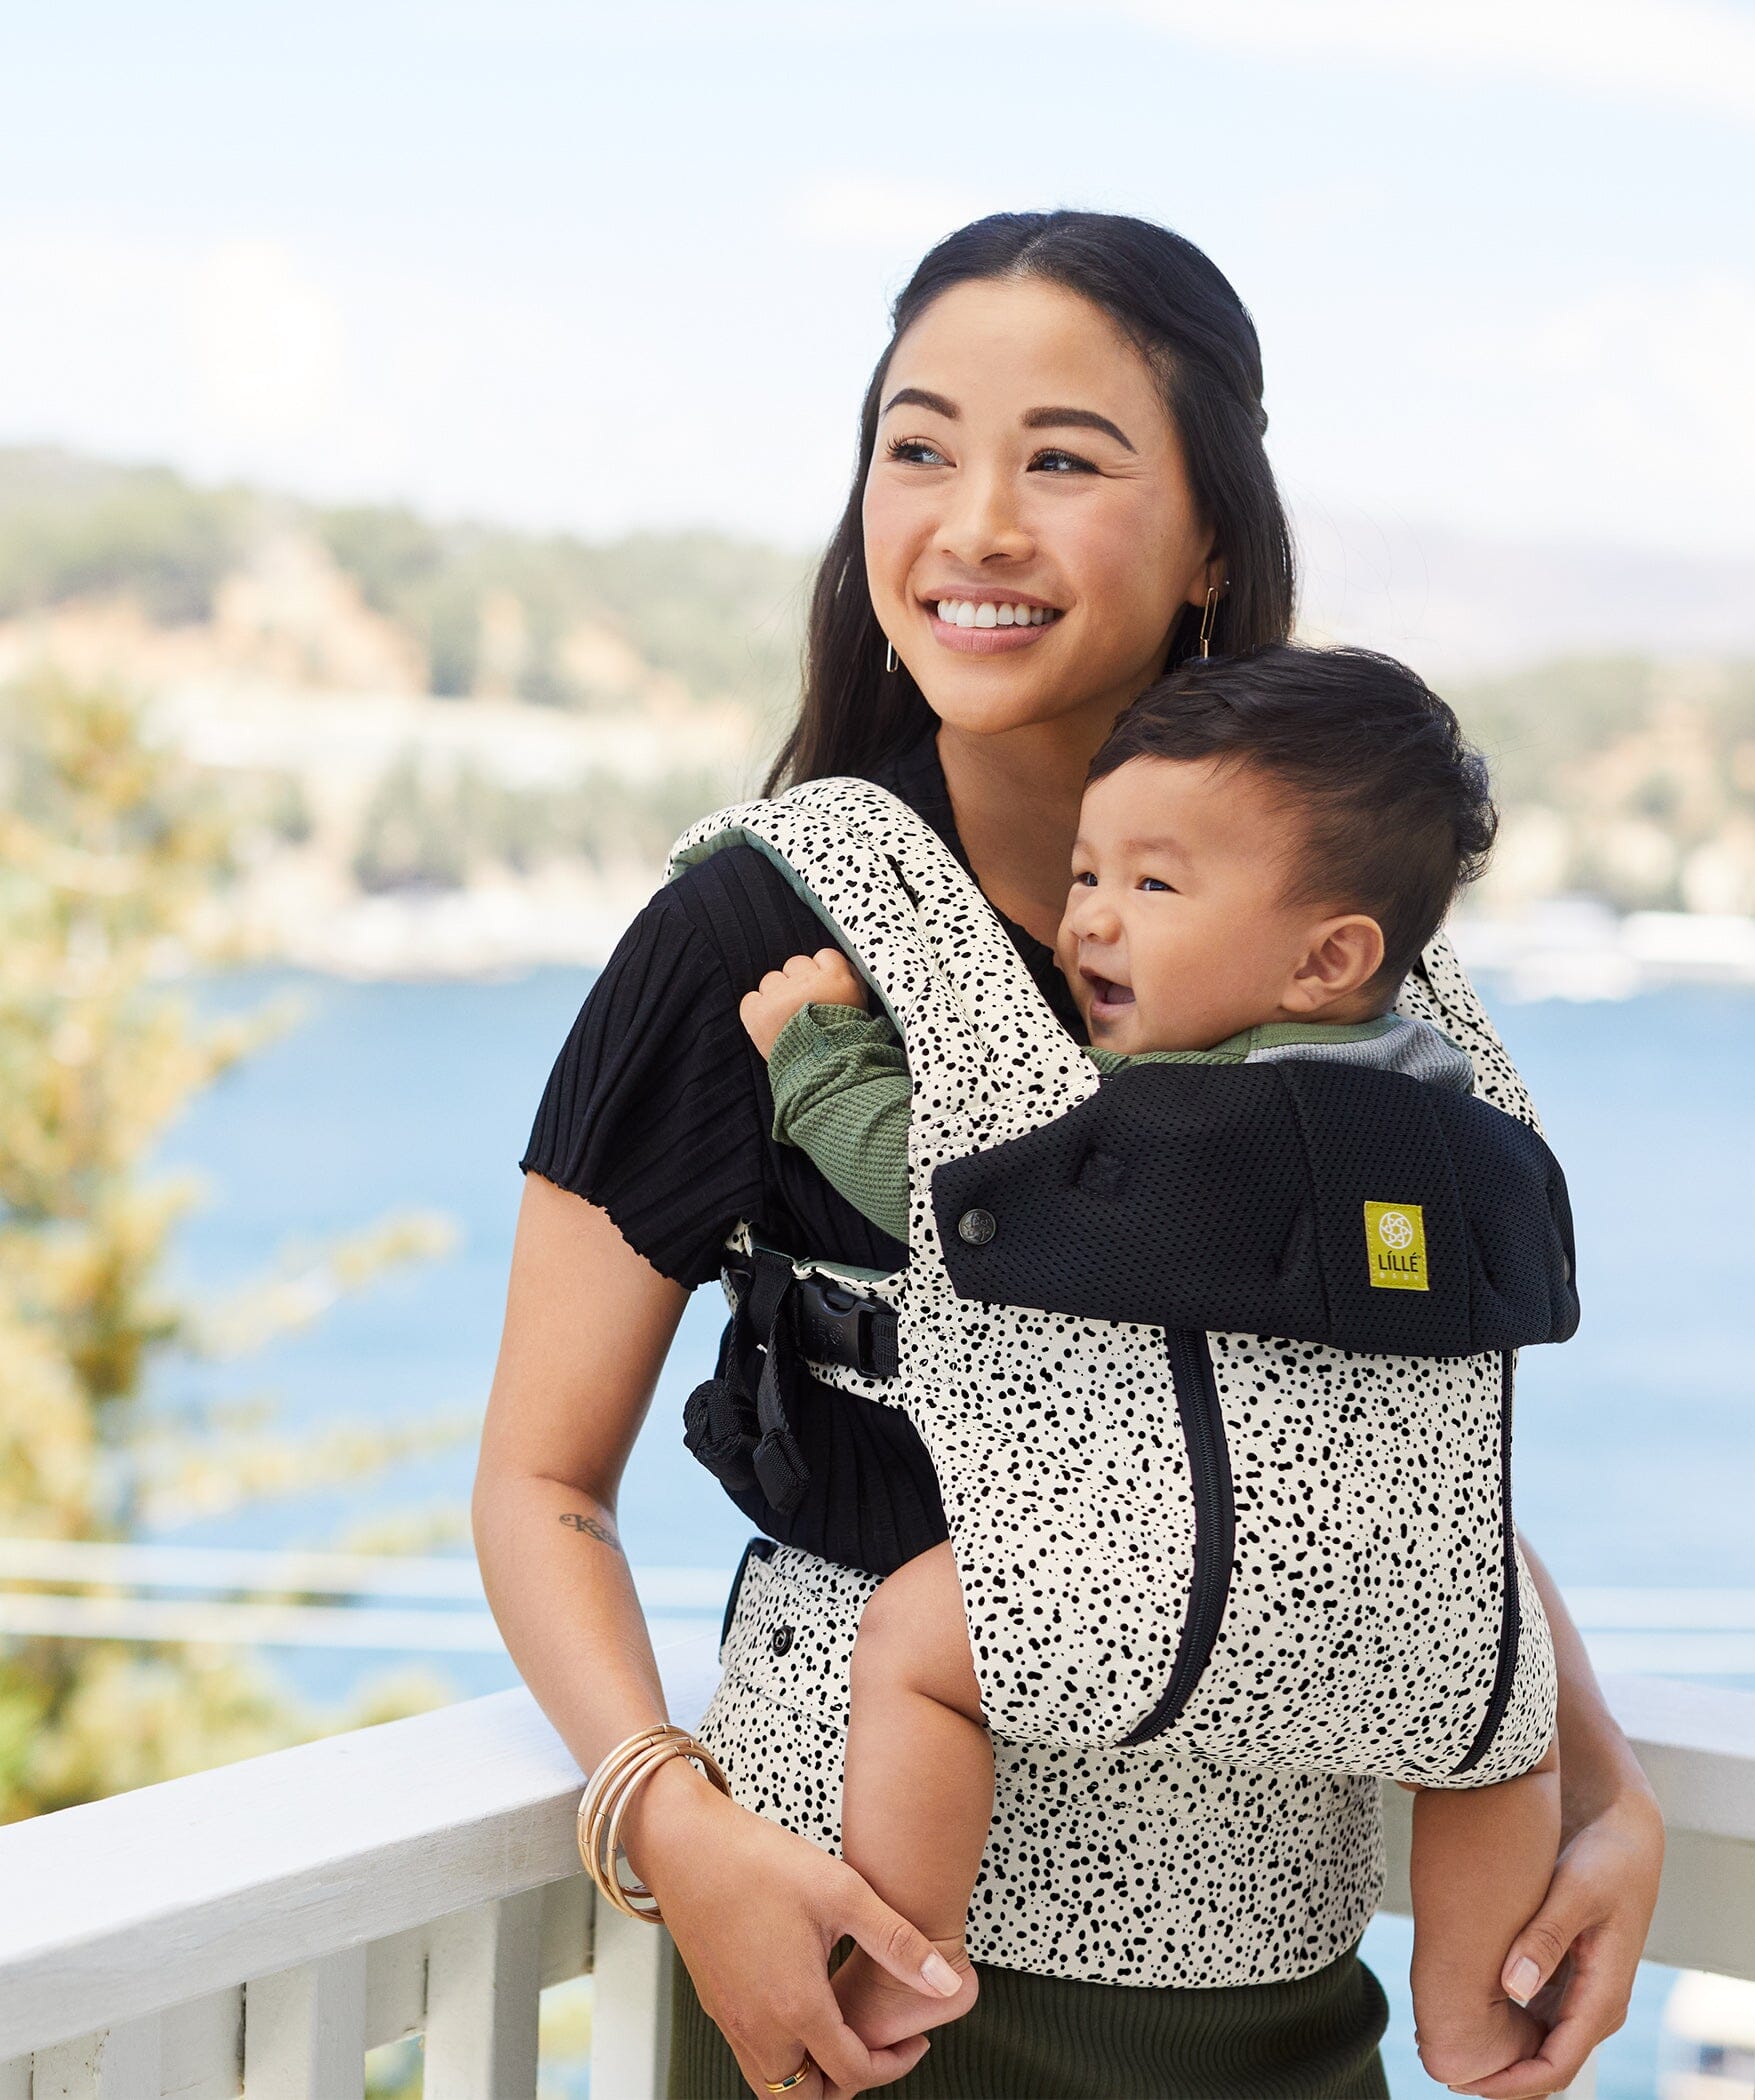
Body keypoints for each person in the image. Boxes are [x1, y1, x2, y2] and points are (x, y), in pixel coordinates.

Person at [475, 209, 1663, 2100]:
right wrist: (671, 1828)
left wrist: (1594, 1782)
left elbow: (1370, 1433)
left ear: (1210, 538)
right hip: (873, 1990)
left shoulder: (1357, 976)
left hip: (1285, 1994)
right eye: (920, 447)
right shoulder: (765, 939)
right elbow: (542, 1481)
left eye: (1064, 459)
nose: (975, 523)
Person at [736, 641, 1565, 2090]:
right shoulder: (1472, 1125)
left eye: (1155, 886)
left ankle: (909, 1963)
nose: (1090, 926)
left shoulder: (1170, 1121)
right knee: (1499, 1742)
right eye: (1086, 877)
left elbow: (940, 1196)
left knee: (920, 1652)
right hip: (1430, 1611)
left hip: (1166, 1606)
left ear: (1329, 958)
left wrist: (820, 1057)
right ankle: (1473, 2020)